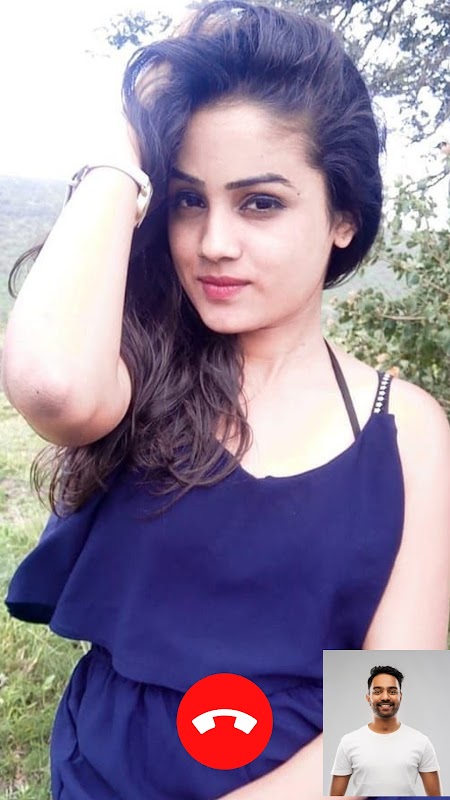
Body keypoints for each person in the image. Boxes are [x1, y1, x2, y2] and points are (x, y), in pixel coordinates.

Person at [2, 2, 450, 799]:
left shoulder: (405, 429)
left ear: (343, 217)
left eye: (260, 203)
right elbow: (52, 385)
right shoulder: (139, 373)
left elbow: (400, 716)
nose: (213, 243)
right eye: (187, 200)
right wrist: (129, 134)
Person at [329, 666, 441, 797]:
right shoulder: (349, 742)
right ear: (368, 698)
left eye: (392, 691)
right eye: (377, 691)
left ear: (400, 696)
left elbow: (436, 797)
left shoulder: (421, 742)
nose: (385, 697)